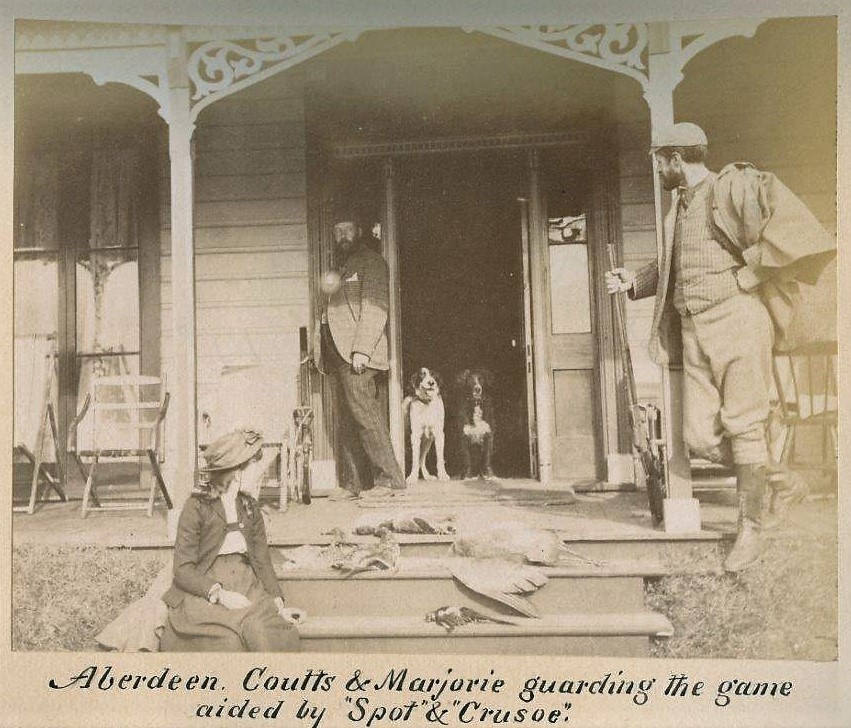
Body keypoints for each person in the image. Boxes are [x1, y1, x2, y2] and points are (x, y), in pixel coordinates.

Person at [605, 122, 835, 573]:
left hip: (737, 322)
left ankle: (750, 528)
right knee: (699, 436)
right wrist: (635, 281)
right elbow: (676, 259)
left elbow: (797, 232)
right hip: (693, 329)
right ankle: (783, 481)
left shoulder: (734, 186)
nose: (655, 167)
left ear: (674, 158)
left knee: (744, 425)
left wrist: (751, 274)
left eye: (658, 159)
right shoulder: (681, 207)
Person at [160, 429, 304, 651]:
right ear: (238, 472)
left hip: (247, 584)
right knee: (228, 641)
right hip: (207, 587)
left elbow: (262, 559)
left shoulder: (249, 506)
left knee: (261, 631)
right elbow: (183, 568)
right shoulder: (197, 506)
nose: (262, 473)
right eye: (255, 466)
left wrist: (277, 602)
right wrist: (219, 594)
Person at [317, 214, 406, 497]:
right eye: (337, 230)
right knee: (347, 419)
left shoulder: (372, 262)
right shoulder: (341, 266)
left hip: (357, 354)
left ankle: (390, 479)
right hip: (337, 355)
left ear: (359, 231)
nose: (342, 235)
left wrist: (362, 350)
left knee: (365, 415)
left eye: (347, 229)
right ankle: (355, 483)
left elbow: (376, 307)